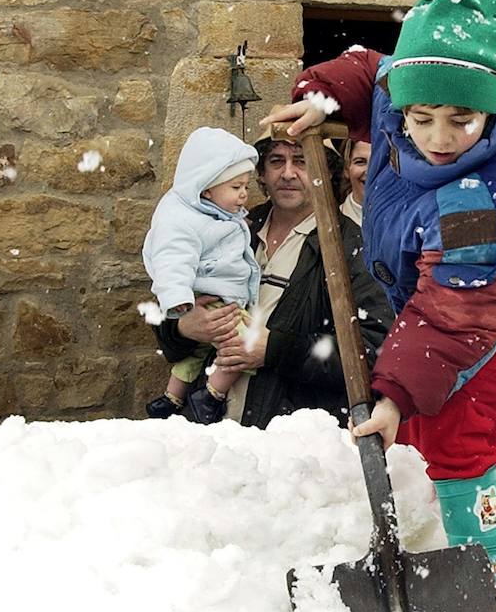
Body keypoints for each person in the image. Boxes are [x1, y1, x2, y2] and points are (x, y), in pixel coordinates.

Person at [260, 0, 496, 601]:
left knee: (452, 428)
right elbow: (370, 68)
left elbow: (458, 316)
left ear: (493, 105)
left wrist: (391, 394)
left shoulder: (494, 203)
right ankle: (476, 506)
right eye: (421, 118)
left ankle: (489, 580)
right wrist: (323, 98)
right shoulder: (404, 91)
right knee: (428, 423)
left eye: (461, 119)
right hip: (445, 301)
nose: (439, 139)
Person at [151, 135, 393, 428]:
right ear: (261, 173)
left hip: (287, 442)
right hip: (205, 435)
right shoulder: (229, 228)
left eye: (302, 161)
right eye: (277, 161)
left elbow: (374, 352)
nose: (288, 173)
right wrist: (182, 328)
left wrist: (275, 350)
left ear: (326, 170)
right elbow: (170, 300)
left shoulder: (354, 247)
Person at [143, 126, 260, 424]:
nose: (244, 194)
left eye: (246, 185)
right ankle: (210, 396)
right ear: (206, 188)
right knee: (244, 346)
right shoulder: (181, 220)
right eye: (236, 188)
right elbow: (171, 261)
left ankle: (172, 398)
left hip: (216, 294)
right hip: (214, 298)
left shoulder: (216, 214)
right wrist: (180, 302)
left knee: (193, 355)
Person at [339, 138, 371, 228]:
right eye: (360, 162)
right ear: (346, 169)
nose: (370, 172)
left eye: (378, 162)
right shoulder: (331, 223)